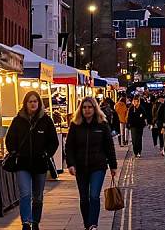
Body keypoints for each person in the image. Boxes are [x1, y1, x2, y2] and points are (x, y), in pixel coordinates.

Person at [6, 91, 59, 230]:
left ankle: (35, 221)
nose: (33, 103)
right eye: (30, 101)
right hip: (22, 164)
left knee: (38, 197)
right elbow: (9, 139)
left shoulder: (46, 120)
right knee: (25, 194)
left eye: (35, 101)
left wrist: (46, 154)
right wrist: (14, 152)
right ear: (25, 103)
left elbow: (54, 141)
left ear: (39, 103)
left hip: (40, 164)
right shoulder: (18, 120)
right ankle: (26, 222)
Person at [65, 96, 117, 230]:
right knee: (84, 198)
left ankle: (93, 224)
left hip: (98, 166)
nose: (87, 110)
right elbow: (69, 146)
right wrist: (71, 164)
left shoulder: (102, 124)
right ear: (80, 109)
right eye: (84, 107)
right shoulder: (75, 125)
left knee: (94, 195)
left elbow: (109, 146)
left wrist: (113, 165)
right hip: (80, 167)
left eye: (90, 107)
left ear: (95, 108)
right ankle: (87, 224)